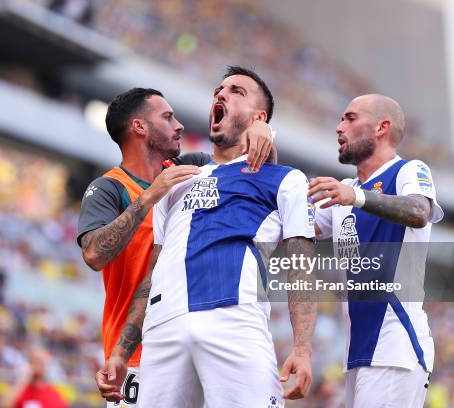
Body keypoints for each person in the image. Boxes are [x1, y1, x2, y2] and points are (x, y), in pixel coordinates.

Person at [99, 66, 317, 407]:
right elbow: (153, 273)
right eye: (219, 90)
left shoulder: (286, 179)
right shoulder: (177, 181)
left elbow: (301, 264)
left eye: (237, 92)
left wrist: (302, 348)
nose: (221, 94)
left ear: (259, 116)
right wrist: (122, 351)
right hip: (164, 327)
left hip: (234, 322)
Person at [77, 87, 275, 406]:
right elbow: (94, 255)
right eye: (168, 117)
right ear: (140, 127)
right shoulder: (108, 188)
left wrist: (261, 127)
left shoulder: (191, 170)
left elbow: (248, 165)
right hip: (138, 355)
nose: (179, 125)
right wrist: (151, 195)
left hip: (200, 342)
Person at [307, 94, 444, 408]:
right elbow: (296, 227)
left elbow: (419, 212)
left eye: (350, 118)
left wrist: (356, 197)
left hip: (396, 345)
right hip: (359, 351)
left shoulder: (408, 171)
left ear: (382, 127)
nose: (339, 127)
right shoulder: (345, 191)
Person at [1, 347, 68, 408]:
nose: (40, 364)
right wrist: (25, 377)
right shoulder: (20, 390)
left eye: (43, 361)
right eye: (36, 360)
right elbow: (4, 405)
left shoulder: (54, 395)